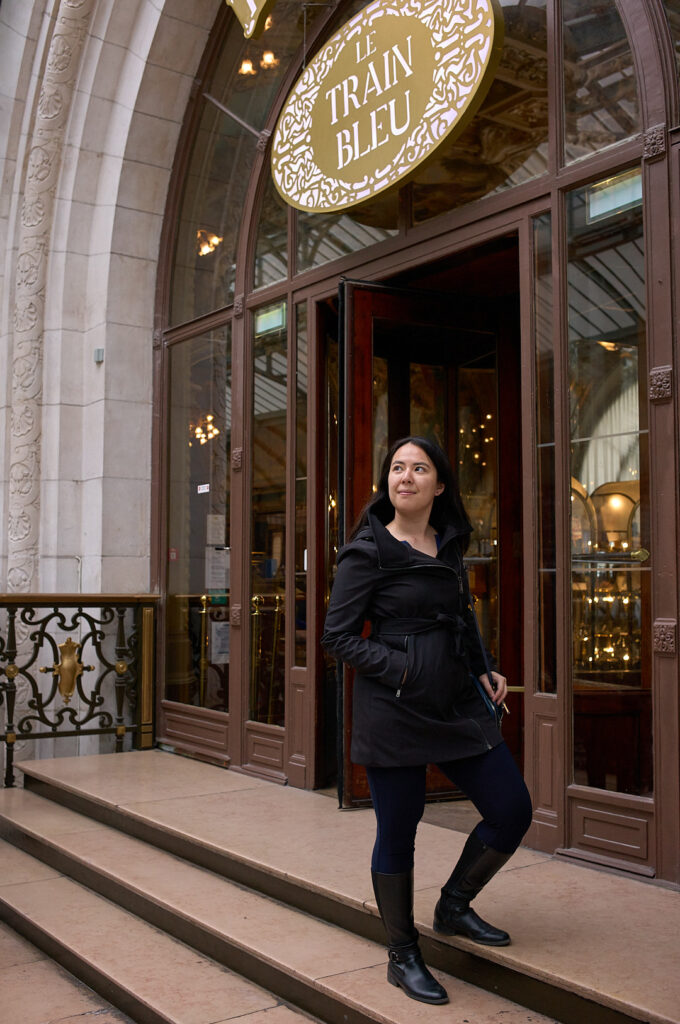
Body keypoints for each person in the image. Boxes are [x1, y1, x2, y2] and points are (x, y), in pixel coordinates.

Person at [321, 436, 532, 1006]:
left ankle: (454, 905)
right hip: (394, 707)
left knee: (512, 809)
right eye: (396, 468)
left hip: (459, 700)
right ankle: (402, 954)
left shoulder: (448, 542)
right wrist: (405, 668)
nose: (405, 477)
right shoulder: (367, 552)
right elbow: (336, 637)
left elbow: (460, 616)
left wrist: (485, 668)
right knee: (400, 831)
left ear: (439, 485)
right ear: (386, 483)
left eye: (419, 468)